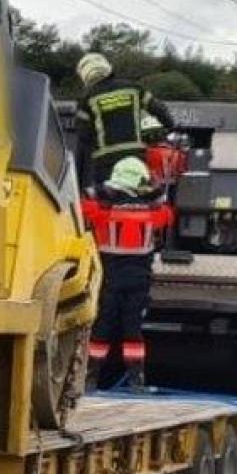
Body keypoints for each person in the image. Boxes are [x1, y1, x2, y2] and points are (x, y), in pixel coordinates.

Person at [81, 156, 174, 391]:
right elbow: (168, 215)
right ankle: (136, 381)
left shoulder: (103, 210)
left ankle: (90, 378)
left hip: (108, 279)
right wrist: (153, 194)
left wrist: (98, 192)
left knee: (101, 328)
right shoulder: (154, 213)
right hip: (138, 281)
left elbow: (82, 208)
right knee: (133, 330)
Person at [74, 53, 175, 187]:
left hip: (105, 161)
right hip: (134, 155)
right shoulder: (133, 88)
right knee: (138, 195)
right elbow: (158, 109)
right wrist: (170, 126)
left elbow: (83, 135)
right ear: (107, 67)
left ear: (84, 75)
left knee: (107, 199)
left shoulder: (87, 99)